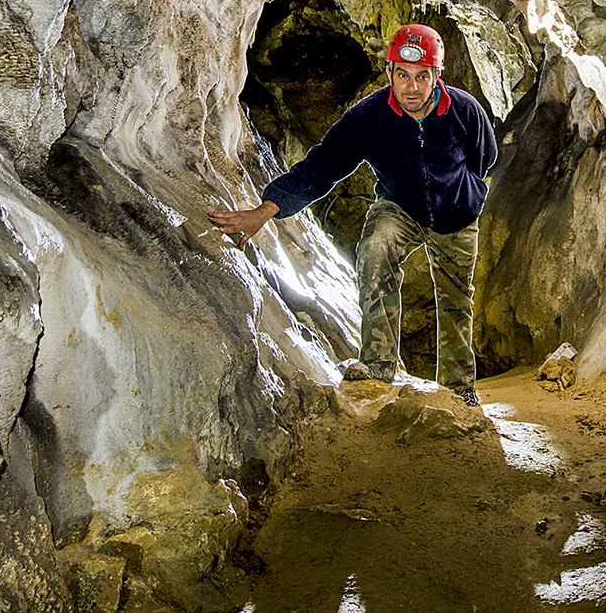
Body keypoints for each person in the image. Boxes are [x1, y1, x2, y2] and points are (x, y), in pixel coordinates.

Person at [209, 23, 498, 407]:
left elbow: (485, 157)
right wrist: (266, 210)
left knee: (455, 297)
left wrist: (461, 194)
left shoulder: (465, 111)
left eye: (422, 77)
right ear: (390, 72)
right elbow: (323, 166)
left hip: (456, 212)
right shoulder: (370, 117)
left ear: (436, 76)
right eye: (402, 75)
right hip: (400, 206)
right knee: (375, 249)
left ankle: (459, 387)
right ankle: (378, 365)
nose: (411, 87)